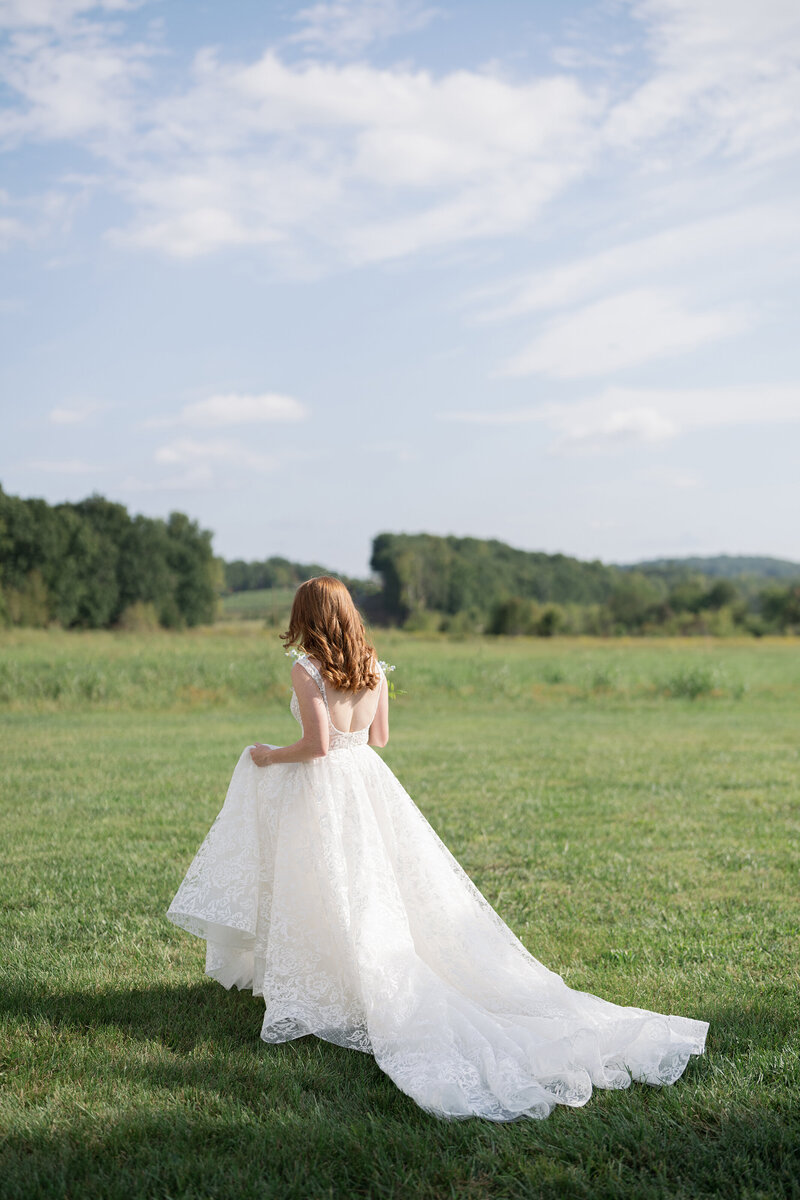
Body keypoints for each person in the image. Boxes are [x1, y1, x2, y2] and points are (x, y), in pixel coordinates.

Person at [166, 575, 708, 1122]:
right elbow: (378, 739)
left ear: (306, 616)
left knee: (333, 881)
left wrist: (267, 755)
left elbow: (317, 746)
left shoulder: (307, 669)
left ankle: (338, 980)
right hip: (369, 783)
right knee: (370, 884)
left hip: (327, 788)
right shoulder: (374, 666)